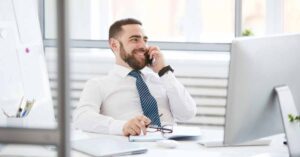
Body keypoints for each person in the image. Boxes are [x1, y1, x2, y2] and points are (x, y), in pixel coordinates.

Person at [73, 18, 197, 136]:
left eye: (145, 40)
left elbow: (187, 114)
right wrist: (122, 126)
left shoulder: (161, 80)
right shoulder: (98, 84)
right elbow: (81, 118)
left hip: (171, 147)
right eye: (135, 39)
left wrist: (164, 71)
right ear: (114, 45)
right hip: (133, 149)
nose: (143, 46)